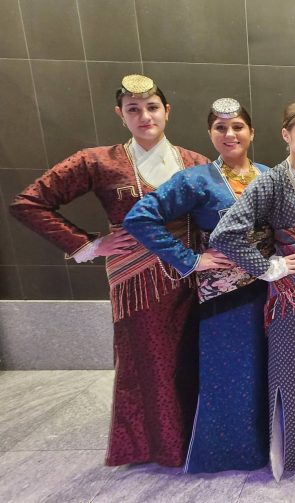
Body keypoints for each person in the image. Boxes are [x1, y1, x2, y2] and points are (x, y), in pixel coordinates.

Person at [9, 74, 208, 467]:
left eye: (152, 107)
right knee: (148, 362)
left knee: (192, 358)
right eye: (134, 109)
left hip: (191, 276)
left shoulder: (195, 162)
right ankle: (158, 448)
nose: (145, 116)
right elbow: (28, 203)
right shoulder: (98, 161)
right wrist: (89, 245)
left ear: (167, 111)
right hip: (137, 281)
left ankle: (196, 441)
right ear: (120, 114)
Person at [123, 98, 270, 473]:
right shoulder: (197, 179)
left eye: (237, 127)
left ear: (252, 132)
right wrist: (190, 259)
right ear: (210, 133)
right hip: (225, 299)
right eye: (220, 128)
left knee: (267, 371)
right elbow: (140, 217)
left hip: (271, 293)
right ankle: (231, 453)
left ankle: (273, 447)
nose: (230, 134)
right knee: (230, 375)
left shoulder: (268, 175)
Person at [208, 101, 295, 480]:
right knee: (291, 367)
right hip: (290, 296)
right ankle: (293, 450)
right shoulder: (271, 181)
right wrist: (269, 268)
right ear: (286, 135)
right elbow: (225, 233)